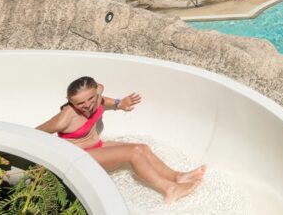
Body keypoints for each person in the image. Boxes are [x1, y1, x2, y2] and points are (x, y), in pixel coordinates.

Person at [37, 76, 205, 204]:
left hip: (96, 147)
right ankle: (170, 189)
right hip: (81, 157)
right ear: (70, 102)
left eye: (91, 98)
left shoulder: (97, 97)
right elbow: (35, 134)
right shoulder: (65, 118)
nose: (88, 105)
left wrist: (119, 103)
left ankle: (177, 177)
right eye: (80, 103)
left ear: (96, 92)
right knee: (134, 152)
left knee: (142, 147)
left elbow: (102, 101)